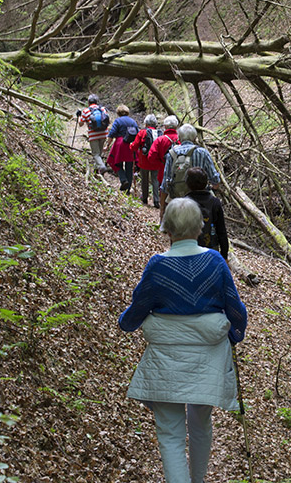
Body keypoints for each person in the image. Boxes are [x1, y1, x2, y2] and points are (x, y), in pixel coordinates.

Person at [119, 198, 247, 483]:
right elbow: (235, 306)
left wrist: (126, 322)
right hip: (208, 357)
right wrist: (235, 332)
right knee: (201, 425)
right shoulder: (214, 261)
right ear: (199, 228)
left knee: (170, 436)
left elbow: (139, 307)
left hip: (166, 359)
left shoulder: (157, 265)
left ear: (168, 229)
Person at [159, 124, 221, 221]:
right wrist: (213, 186)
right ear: (194, 137)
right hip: (200, 201)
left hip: (177, 199)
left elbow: (165, 183)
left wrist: (162, 208)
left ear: (179, 137)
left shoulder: (172, 153)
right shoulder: (202, 152)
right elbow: (215, 180)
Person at [185, 167, 228, 260]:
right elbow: (222, 232)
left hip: (188, 251)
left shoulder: (183, 203)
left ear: (188, 183)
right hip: (211, 250)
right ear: (205, 183)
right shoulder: (215, 202)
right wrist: (224, 256)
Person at [104, 105, 139, 193]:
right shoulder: (133, 121)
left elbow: (111, 134)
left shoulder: (118, 121)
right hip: (131, 145)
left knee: (117, 164)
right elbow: (138, 134)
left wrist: (107, 145)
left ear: (118, 113)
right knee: (129, 166)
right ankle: (128, 189)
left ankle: (123, 180)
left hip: (120, 144)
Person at [130, 114, 161, 208]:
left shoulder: (142, 132)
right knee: (155, 180)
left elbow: (135, 146)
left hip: (144, 160)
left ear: (146, 123)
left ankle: (145, 198)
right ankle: (156, 200)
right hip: (156, 160)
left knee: (145, 179)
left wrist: (130, 145)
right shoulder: (159, 133)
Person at [77, 94, 109, 175]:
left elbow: (80, 124)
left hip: (93, 135)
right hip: (104, 133)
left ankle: (102, 167)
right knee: (99, 153)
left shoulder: (86, 111)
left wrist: (79, 116)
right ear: (96, 101)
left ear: (88, 102)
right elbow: (108, 120)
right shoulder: (103, 109)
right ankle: (97, 170)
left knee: (95, 153)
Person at [148, 115, 180, 191]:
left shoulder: (160, 140)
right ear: (176, 127)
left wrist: (160, 164)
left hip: (162, 172)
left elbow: (151, 157)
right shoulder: (181, 139)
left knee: (163, 194)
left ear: (165, 126)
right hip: (179, 172)